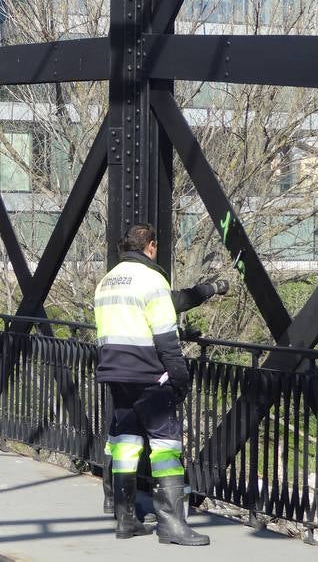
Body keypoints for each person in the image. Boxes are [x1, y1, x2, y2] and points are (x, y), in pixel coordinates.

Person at [94, 223, 228, 544]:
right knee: (166, 445)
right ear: (151, 246)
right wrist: (180, 377)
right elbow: (167, 337)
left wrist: (208, 289)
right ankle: (171, 525)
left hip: (115, 372)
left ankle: (124, 517)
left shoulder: (107, 282)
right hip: (148, 374)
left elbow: (175, 301)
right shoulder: (152, 279)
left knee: (126, 439)